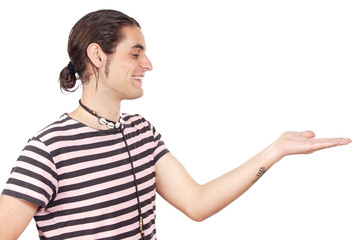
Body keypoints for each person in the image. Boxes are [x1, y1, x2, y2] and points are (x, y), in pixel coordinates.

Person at [0, 9, 351, 240]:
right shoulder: (48, 149)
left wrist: (276, 151)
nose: (148, 64)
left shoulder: (141, 132)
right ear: (97, 55)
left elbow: (196, 203)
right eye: (135, 53)